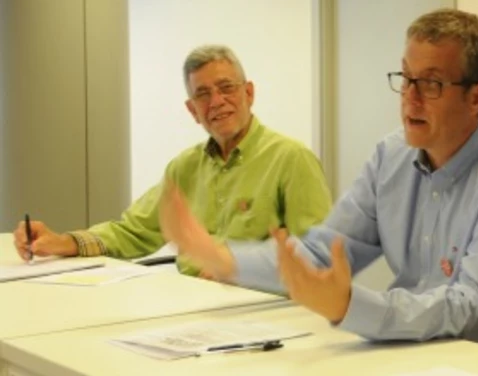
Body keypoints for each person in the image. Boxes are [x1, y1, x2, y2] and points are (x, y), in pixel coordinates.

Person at [160, 9, 478, 348]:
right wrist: (223, 258)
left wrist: (350, 305)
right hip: (413, 354)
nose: (410, 97)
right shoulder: (392, 156)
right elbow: (323, 252)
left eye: (431, 83)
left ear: (477, 97)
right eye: (406, 79)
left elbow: (473, 309)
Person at [12, 45, 333, 276]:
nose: (217, 101)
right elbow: (133, 231)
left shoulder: (292, 160)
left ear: (249, 93)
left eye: (226, 88)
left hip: (262, 310)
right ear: (192, 110)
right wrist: (64, 242)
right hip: (189, 306)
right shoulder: (185, 167)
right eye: (203, 94)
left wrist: (235, 266)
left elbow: (319, 259)